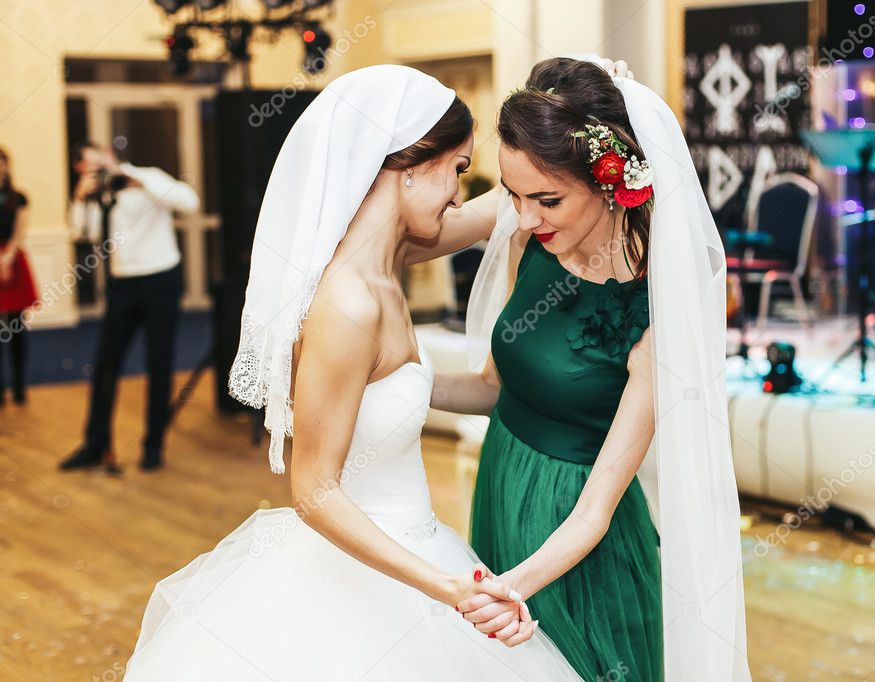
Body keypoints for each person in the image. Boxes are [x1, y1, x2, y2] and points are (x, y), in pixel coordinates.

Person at [121, 65, 582, 681]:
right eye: (458, 169)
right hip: (379, 572)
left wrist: (578, 112)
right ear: (409, 164)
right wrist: (446, 589)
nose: (456, 192)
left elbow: (504, 205)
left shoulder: (386, 262)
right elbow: (314, 491)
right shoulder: (349, 303)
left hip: (418, 544)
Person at [428, 56, 752, 681]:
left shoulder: (660, 308)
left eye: (545, 199)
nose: (521, 219)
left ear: (612, 182)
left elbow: (596, 510)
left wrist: (505, 590)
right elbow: (496, 390)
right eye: (512, 195)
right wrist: (399, 385)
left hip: (574, 542)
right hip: (503, 483)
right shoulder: (535, 239)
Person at [59, 143, 198, 472]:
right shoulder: (102, 195)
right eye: (89, 169)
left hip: (160, 281)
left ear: (110, 155)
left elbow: (189, 203)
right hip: (122, 286)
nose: (99, 171)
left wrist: (134, 177)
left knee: (159, 365)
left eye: (100, 163)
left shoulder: (147, 177)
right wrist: (81, 197)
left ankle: (153, 446)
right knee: (106, 366)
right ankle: (95, 444)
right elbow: (82, 232)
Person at [0, 146, 40, 405]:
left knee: (16, 326)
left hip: (12, 260)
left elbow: (20, 229)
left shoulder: (18, 197)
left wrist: (7, 256)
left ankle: (19, 384)